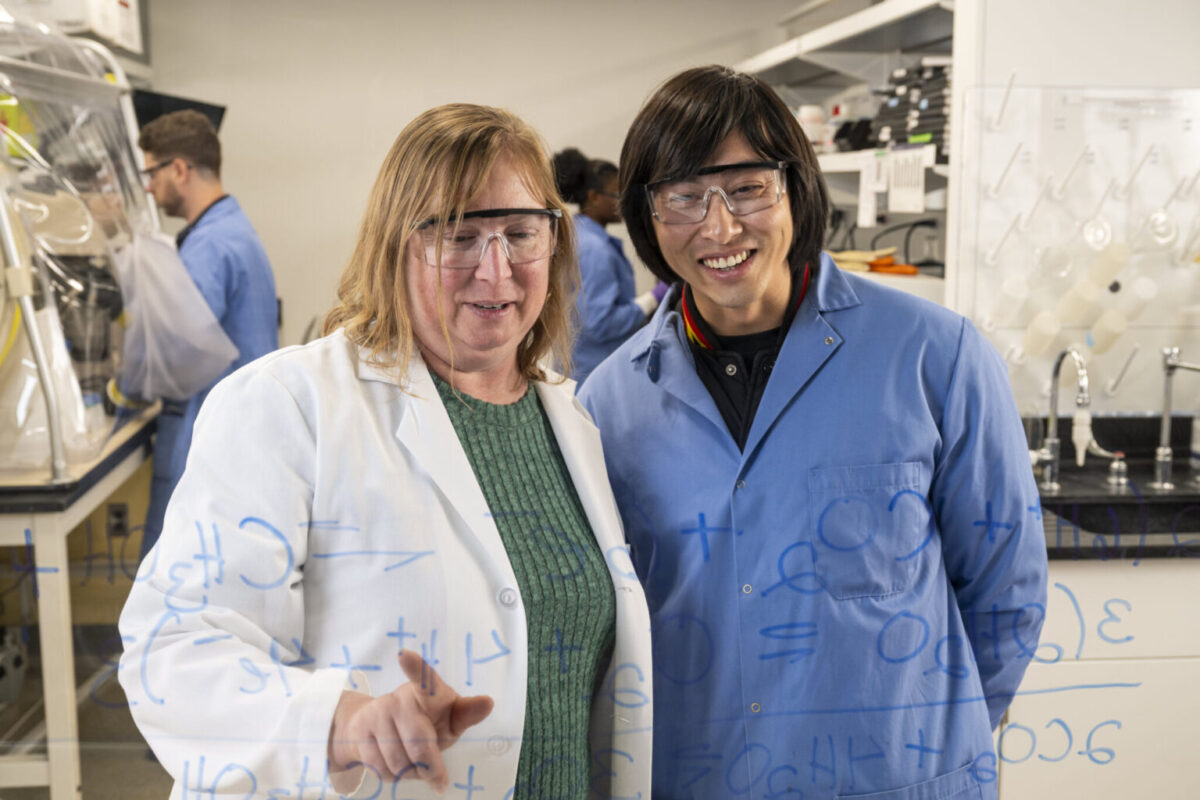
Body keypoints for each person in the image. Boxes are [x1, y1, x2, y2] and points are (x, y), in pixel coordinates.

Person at [118, 103, 653, 799]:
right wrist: (339, 724)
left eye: (522, 233)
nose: (497, 273)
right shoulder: (288, 405)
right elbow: (174, 649)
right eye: (459, 236)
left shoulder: (572, 420)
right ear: (394, 243)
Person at [578, 65, 1048, 799]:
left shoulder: (933, 355)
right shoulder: (610, 403)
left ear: (795, 187)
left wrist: (927, 745)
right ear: (649, 217)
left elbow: (1006, 590)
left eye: (746, 187)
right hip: (701, 778)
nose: (720, 226)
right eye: (683, 198)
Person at [134, 109, 278, 558]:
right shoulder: (230, 230)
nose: (148, 186)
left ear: (179, 169)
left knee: (174, 580)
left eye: (151, 173)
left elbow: (174, 352)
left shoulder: (210, 245)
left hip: (209, 438)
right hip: (237, 436)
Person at [553, 148, 661, 383]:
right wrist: (653, 299)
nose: (624, 202)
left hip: (578, 368)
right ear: (594, 197)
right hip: (593, 374)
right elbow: (601, 324)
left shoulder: (578, 234)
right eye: (617, 195)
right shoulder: (595, 249)